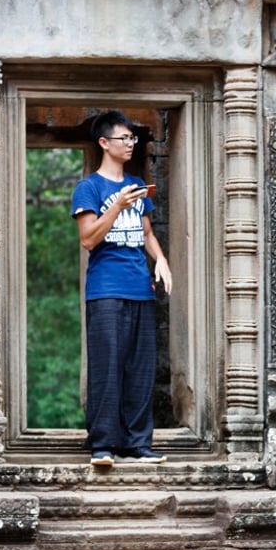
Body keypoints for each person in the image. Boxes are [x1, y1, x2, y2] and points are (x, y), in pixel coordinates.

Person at [71, 110, 173, 467]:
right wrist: (116, 206)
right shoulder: (90, 188)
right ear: (104, 143)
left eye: (133, 139)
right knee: (107, 366)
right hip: (106, 290)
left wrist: (160, 259)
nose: (130, 144)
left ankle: (138, 443)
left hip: (140, 289)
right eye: (123, 139)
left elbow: (146, 233)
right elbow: (88, 239)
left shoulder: (137, 185)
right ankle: (103, 445)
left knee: (140, 368)